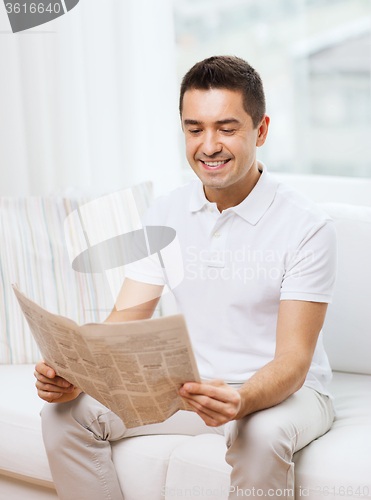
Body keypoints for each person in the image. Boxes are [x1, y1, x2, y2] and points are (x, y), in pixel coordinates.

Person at [35, 55, 337, 500]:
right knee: (64, 416)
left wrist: (242, 400)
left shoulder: (307, 225)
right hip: (192, 387)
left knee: (263, 434)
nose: (208, 145)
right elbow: (127, 314)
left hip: (287, 392)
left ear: (262, 129)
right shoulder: (166, 213)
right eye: (194, 129)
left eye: (226, 128)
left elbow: (293, 361)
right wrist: (75, 368)